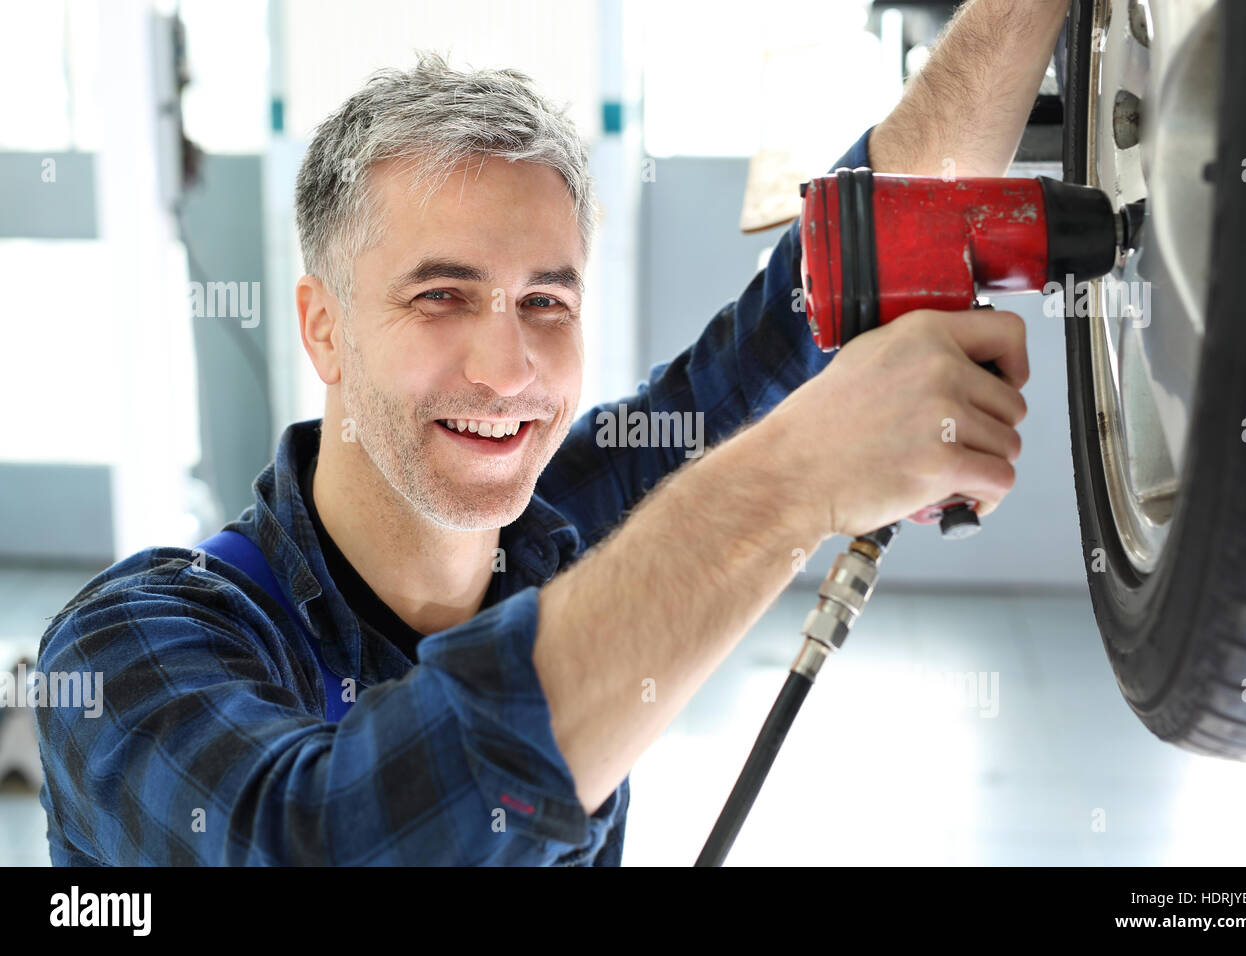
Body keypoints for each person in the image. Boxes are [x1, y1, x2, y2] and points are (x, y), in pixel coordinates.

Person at [36, 0, 1065, 865]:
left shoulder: (562, 529)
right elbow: (324, 836)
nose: (508, 367)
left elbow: (820, 296)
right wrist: (786, 482)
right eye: (441, 295)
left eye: (545, 302)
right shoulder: (130, 646)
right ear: (324, 326)